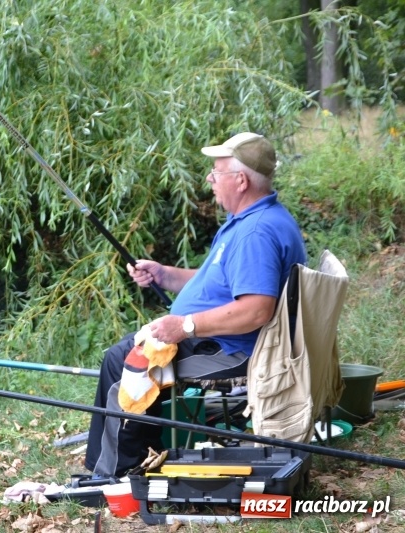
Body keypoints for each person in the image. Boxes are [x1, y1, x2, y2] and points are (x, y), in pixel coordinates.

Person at [84, 132, 307, 478]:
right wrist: (163, 274)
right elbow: (216, 283)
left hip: (234, 351)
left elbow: (256, 310)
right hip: (224, 338)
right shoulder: (250, 220)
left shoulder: (255, 234)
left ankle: (117, 475)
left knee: (124, 361)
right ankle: (140, 458)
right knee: (126, 355)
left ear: (241, 180)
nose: (209, 179)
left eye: (216, 172)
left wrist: (185, 326)